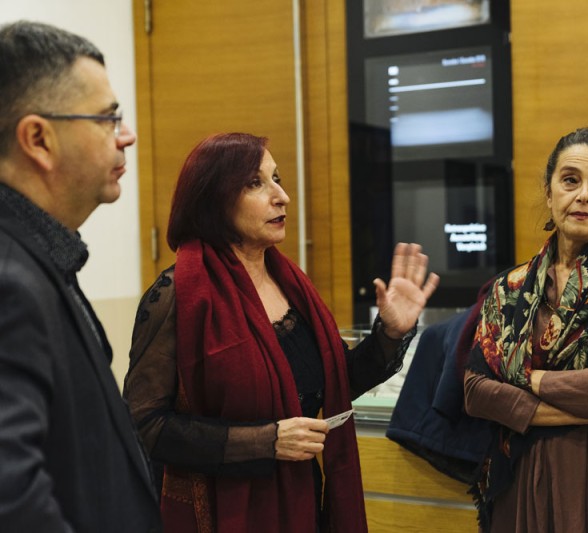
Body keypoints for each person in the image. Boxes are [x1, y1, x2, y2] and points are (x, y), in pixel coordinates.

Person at [123, 132, 439, 533]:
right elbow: (143, 426)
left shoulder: (291, 284)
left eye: (278, 178)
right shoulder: (176, 295)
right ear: (214, 199)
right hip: (224, 513)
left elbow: (335, 381)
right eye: (255, 183)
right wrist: (265, 441)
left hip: (302, 501)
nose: (281, 196)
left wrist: (390, 333)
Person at [0, 21, 160, 532]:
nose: (127, 136)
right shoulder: (10, 283)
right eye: (109, 118)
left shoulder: (44, 259)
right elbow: (12, 500)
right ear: (38, 139)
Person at [463, 124, 588, 533]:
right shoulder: (509, 287)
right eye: (570, 180)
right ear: (550, 191)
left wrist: (524, 379)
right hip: (515, 473)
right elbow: (475, 390)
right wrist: (576, 404)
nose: (584, 195)